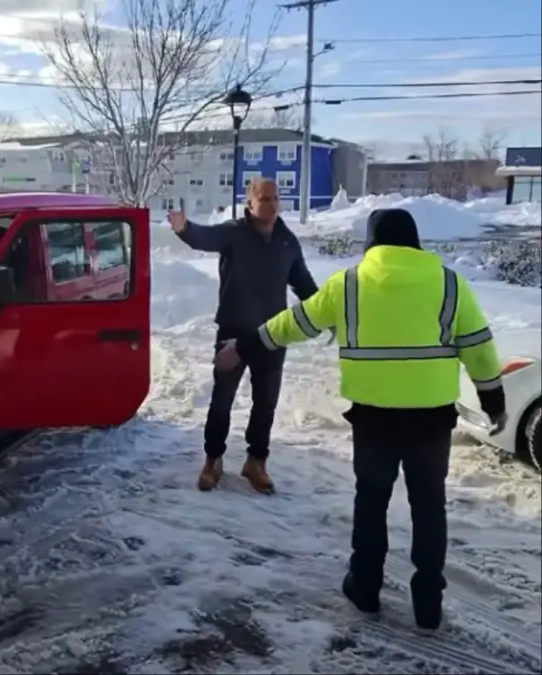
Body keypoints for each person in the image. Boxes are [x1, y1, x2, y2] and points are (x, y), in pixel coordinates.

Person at [214, 207, 507, 631]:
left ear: (372, 242)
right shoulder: (449, 283)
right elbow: (479, 347)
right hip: (430, 421)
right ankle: (428, 604)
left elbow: (295, 323)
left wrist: (243, 346)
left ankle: (365, 588)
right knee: (429, 507)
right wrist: (494, 402)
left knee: (371, 502)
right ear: (414, 241)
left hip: (373, 420)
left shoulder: (349, 284)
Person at [168, 178, 322, 494]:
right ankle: (213, 460)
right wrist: (184, 229)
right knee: (222, 400)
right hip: (233, 332)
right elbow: (204, 237)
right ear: (249, 203)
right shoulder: (234, 232)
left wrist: (325, 311)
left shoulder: (287, 241)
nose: (272, 204)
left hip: (272, 335)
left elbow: (303, 283)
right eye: (264, 199)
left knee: (265, 403)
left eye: (275, 198)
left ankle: (256, 462)